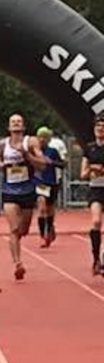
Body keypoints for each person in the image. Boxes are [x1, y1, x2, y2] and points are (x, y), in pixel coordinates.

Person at [0, 114, 51, 280]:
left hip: (27, 191)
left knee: (23, 230)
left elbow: (42, 164)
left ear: (23, 125)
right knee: (13, 229)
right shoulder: (3, 144)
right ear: (9, 127)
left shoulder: (31, 142)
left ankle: (18, 242)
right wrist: (1, 165)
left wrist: (27, 155)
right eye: (13, 122)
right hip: (9, 191)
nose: (16, 124)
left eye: (19, 121)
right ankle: (17, 263)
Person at [34, 126, 64, 247]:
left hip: (52, 182)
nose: (42, 139)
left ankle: (50, 227)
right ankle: (42, 235)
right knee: (41, 207)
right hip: (40, 182)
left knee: (50, 208)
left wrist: (52, 162)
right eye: (40, 137)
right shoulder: (34, 151)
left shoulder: (53, 151)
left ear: (48, 139)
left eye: (45, 137)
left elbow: (63, 164)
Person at [82, 115, 104, 274]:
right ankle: (96, 257)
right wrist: (92, 169)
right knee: (96, 221)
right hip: (96, 188)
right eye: (98, 127)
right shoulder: (89, 149)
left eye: (103, 126)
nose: (100, 129)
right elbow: (82, 174)